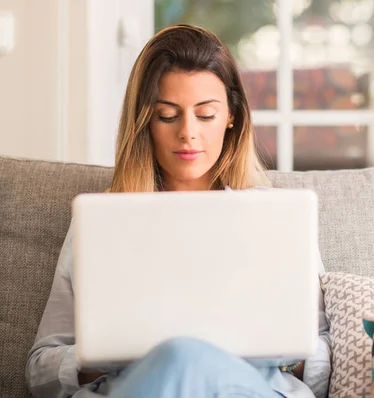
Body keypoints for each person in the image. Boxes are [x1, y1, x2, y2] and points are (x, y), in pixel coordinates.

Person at [25, 24, 331, 398]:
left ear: (232, 115)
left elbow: (321, 360)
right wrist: (105, 355)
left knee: (187, 358)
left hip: (249, 387)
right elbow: (40, 370)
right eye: (168, 115)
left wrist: (280, 352)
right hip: (136, 386)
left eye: (205, 115)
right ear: (144, 122)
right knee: (177, 358)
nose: (187, 132)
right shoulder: (101, 223)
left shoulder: (277, 218)